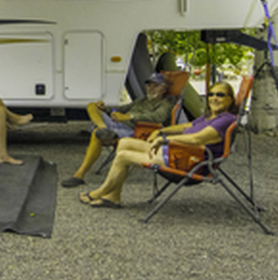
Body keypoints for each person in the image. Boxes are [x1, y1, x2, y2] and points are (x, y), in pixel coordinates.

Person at [78, 81, 238, 208]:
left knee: (123, 156)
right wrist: (162, 132)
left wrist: (166, 140)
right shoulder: (209, 116)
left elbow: (197, 139)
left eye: (220, 95)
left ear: (230, 99)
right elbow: (186, 126)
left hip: (188, 161)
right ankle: (113, 196)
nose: (214, 98)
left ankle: (102, 191)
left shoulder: (225, 119)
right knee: (125, 143)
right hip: (177, 152)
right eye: (211, 94)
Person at [61, 72, 174, 188]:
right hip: (119, 125)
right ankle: (103, 129)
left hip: (135, 131)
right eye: (149, 85)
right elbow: (122, 109)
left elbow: (158, 118)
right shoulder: (143, 100)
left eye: (156, 85)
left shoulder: (166, 103)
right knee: (91, 105)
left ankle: (79, 175)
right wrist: (107, 109)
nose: (151, 88)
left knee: (96, 134)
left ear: (164, 89)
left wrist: (129, 117)